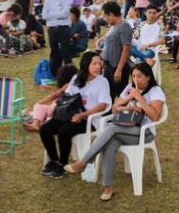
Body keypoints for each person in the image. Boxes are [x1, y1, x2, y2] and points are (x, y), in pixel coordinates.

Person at [64, 62, 164, 201]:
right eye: (133, 76)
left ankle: (85, 161)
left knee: (111, 129)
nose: (136, 79)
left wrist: (139, 97)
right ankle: (108, 186)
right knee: (110, 142)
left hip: (144, 132)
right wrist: (130, 97)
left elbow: (155, 116)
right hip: (126, 127)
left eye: (139, 76)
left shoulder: (155, 91)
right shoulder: (130, 88)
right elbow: (114, 109)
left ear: (148, 77)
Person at [40, 51, 111, 180]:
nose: (98, 67)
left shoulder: (102, 82)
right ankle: (54, 160)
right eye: (94, 64)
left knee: (63, 132)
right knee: (45, 129)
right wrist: (55, 106)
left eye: (99, 63)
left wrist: (82, 114)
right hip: (70, 114)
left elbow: (102, 106)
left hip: (89, 119)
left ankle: (62, 164)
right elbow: (66, 96)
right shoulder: (76, 78)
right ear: (85, 65)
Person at [101, 1, 132, 100]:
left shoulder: (124, 26)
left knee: (121, 95)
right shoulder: (114, 26)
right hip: (108, 65)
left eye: (106, 16)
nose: (106, 19)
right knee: (108, 94)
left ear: (111, 15)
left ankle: (126, 114)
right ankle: (109, 114)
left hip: (117, 67)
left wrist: (119, 70)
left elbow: (126, 49)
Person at [44, 0, 72, 76]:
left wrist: (51, 13)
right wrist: (57, 15)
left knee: (66, 53)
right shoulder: (48, 0)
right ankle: (55, 74)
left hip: (63, 29)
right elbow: (44, 15)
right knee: (54, 52)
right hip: (52, 30)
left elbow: (65, 14)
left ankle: (69, 75)